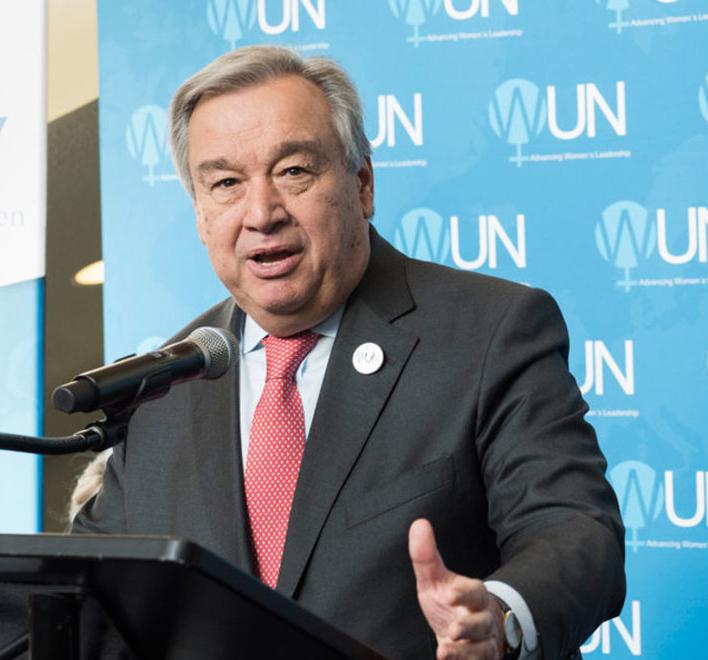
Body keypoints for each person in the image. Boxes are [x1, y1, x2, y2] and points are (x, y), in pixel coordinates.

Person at [74, 45, 625, 659]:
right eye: (226, 183)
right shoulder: (165, 383)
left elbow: (575, 531)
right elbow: (84, 602)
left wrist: (497, 616)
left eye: (294, 171)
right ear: (201, 214)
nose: (262, 213)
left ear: (362, 184)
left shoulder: (492, 330)